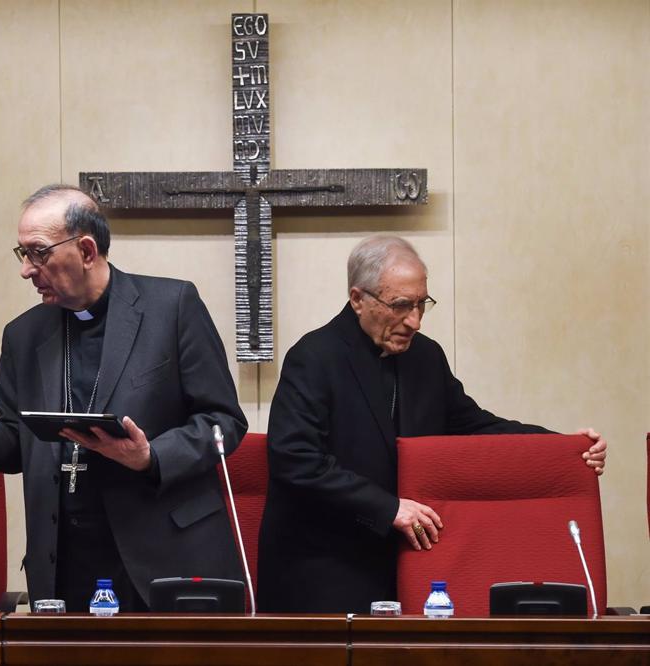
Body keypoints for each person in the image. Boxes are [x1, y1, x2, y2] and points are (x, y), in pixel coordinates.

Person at [0, 184, 248, 611]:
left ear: (86, 250)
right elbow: (15, 446)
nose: (27, 269)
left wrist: (151, 457)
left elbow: (224, 421)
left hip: (165, 553)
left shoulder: (171, 306)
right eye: (22, 253)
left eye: (39, 252)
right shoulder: (23, 335)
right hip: (67, 563)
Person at [257, 235, 608, 614]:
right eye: (401, 306)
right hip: (321, 564)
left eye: (422, 304)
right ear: (358, 299)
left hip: (404, 558)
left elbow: (475, 427)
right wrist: (388, 508)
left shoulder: (425, 357)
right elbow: (295, 459)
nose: (414, 320)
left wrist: (565, 448)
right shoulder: (314, 357)